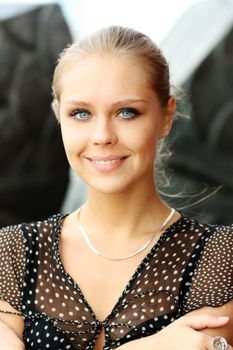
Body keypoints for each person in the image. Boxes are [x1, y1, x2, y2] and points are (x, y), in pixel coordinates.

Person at [0, 25, 232, 350]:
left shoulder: (221, 254)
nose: (102, 135)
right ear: (59, 117)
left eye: (127, 113)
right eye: (81, 113)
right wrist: (154, 345)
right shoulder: (13, 252)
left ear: (166, 116)